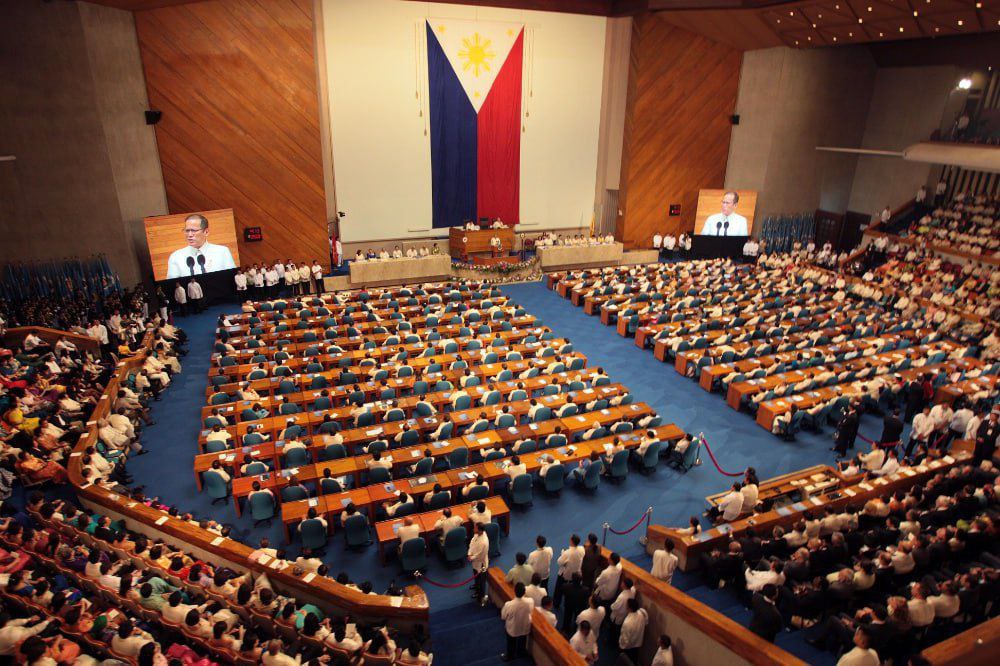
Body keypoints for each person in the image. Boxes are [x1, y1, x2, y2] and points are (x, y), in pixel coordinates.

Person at [166, 213, 236, 278]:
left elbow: (232, 278)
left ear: (206, 232)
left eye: (193, 230)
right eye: (187, 231)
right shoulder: (175, 257)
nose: (189, 235)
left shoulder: (222, 252)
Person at [500, 582, 533, 661]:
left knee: (511, 643)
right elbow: (531, 611)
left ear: (514, 591)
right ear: (524, 592)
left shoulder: (509, 604)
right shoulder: (530, 601)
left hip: (512, 629)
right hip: (525, 626)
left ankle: (510, 656)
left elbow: (503, 617)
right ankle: (521, 652)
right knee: (522, 640)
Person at [618, 597, 648, 663]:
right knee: (634, 658)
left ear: (629, 608)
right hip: (638, 642)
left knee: (626, 661)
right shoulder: (642, 612)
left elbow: (625, 638)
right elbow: (646, 622)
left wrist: (622, 646)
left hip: (628, 646)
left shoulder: (627, 622)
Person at [468, 522, 490, 604]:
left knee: (482, 581)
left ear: (480, 530)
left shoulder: (484, 542)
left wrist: (471, 557)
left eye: (475, 528)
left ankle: (481, 596)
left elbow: (481, 555)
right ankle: (477, 588)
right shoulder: (477, 534)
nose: (474, 529)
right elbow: (472, 542)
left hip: (481, 565)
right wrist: (469, 553)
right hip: (475, 562)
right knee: (476, 577)